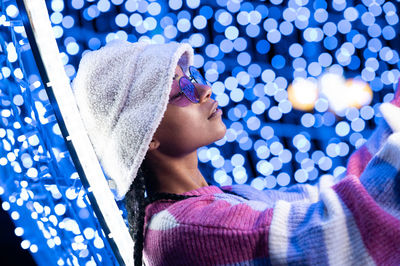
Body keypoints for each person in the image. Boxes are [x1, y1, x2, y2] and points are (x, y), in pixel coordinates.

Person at [73, 39, 400, 266]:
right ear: (145, 137)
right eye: (180, 90)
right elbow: (345, 235)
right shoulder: (189, 230)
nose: (203, 90)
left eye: (193, 78)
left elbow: (332, 196)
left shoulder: (206, 205)